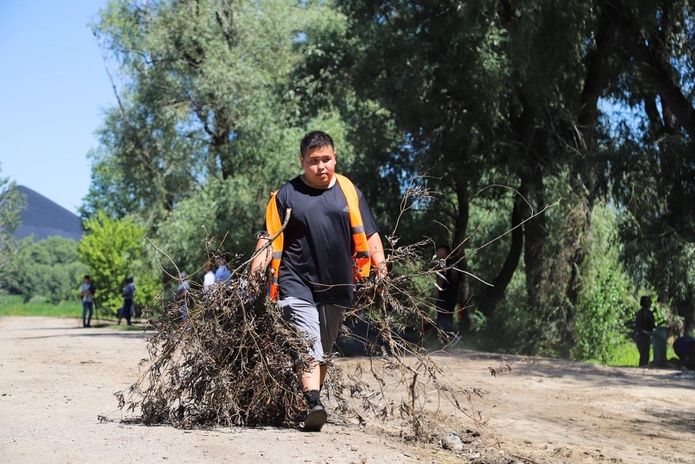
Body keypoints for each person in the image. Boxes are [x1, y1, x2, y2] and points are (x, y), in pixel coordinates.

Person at [250, 130, 388, 432]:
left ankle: (305, 403)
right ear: (302, 162)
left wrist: (380, 266)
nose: (321, 166)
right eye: (314, 161)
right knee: (308, 340)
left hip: (338, 284)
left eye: (326, 159)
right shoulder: (286, 195)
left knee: (322, 350)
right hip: (295, 280)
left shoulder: (349, 191)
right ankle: (314, 402)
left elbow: (370, 231)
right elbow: (268, 236)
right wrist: (256, 269)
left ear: (335, 157)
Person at [433, 245, 460, 348]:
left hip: (444, 296)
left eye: (440, 250)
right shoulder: (455, 265)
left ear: (445, 252)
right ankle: (448, 342)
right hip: (453, 296)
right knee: (448, 318)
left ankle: (454, 335)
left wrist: (437, 292)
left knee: (441, 318)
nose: (438, 252)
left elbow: (441, 278)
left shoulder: (443, 264)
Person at [634, 295, 655, 367]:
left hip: (647, 336)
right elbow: (638, 326)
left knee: (647, 353)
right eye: (648, 302)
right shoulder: (639, 314)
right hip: (640, 336)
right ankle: (641, 367)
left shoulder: (650, 313)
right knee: (643, 353)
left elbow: (652, 325)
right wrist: (644, 332)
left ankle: (644, 367)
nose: (649, 303)